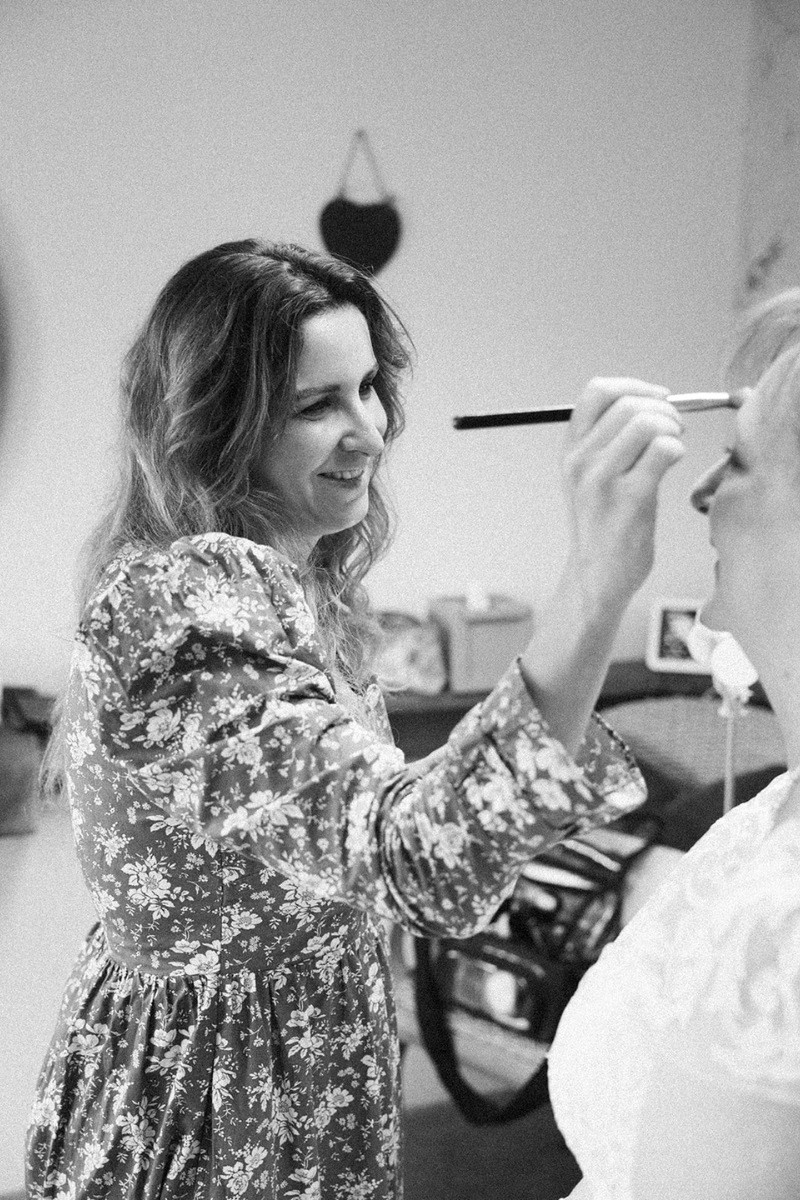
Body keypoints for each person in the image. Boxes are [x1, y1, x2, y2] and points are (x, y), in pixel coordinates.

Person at [26, 239, 684, 1199]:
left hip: (306, 1077)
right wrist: (596, 581)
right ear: (214, 425)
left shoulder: (295, 591)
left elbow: (382, 843)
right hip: (217, 1110)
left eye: (370, 388)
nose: (370, 431)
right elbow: (416, 857)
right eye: (316, 405)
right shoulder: (185, 602)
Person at [548, 288, 800, 1199]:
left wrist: (593, 576)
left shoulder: (784, 931)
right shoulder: (770, 813)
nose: (698, 492)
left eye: (738, 459)